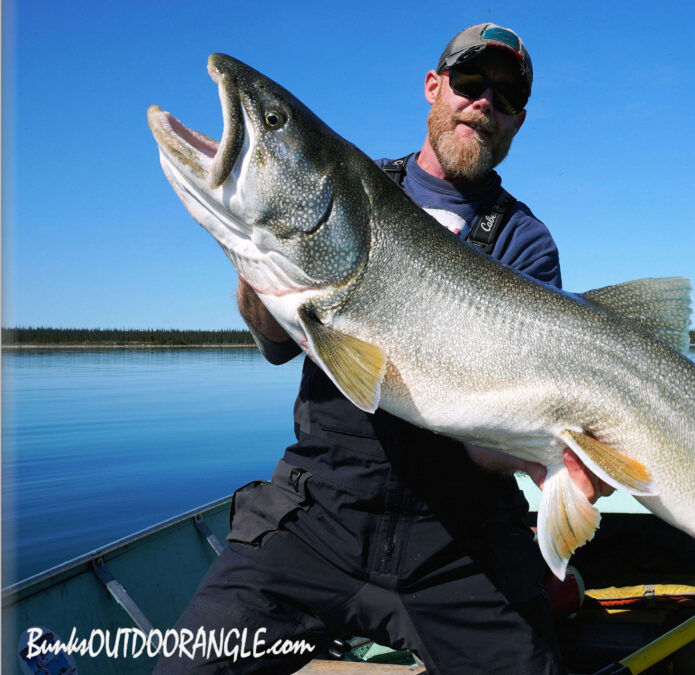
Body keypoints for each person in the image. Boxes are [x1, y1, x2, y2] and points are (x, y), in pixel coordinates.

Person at [156, 23, 610, 675]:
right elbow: (275, 343)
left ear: (517, 121)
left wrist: (547, 456)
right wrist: (257, 256)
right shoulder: (354, 185)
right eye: (470, 80)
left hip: (460, 541)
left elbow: (488, 441)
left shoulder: (525, 242)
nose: (485, 101)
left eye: (506, 96)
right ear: (433, 87)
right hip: (319, 511)